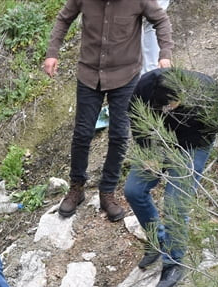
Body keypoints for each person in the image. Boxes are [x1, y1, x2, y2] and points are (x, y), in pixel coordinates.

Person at [43, 0, 174, 221]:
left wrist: (165, 54)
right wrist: (52, 53)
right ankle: (76, 188)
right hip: (89, 74)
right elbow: (63, 18)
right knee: (82, 133)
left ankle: (107, 191)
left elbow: (161, 19)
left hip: (126, 75)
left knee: (119, 134)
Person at [125, 68, 218, 287]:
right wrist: (148, 154)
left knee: (176, 202)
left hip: (195, 144)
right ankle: (157, 241)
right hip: (160, 142)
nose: (168, 110)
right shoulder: (145, 85)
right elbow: (136, 120)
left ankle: (174, 262)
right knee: (134, 190)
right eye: (163, 107)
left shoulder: (205, 89)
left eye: (172, 105)